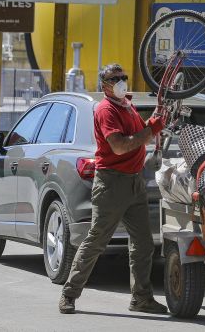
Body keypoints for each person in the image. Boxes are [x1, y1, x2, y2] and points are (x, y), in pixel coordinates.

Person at [59, 63, 167, 315]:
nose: (121, 81)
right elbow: (119, 146)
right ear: (104, 84)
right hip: (111, 184)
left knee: (143, 243)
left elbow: (140, 133)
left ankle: (141, 298)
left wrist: (153, 123)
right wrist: (152, 129)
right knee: (96, 241)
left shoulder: (126, 105)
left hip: (134, 182)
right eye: (114, 78)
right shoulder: (106, 110)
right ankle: (69, 293)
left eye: (123, 76)